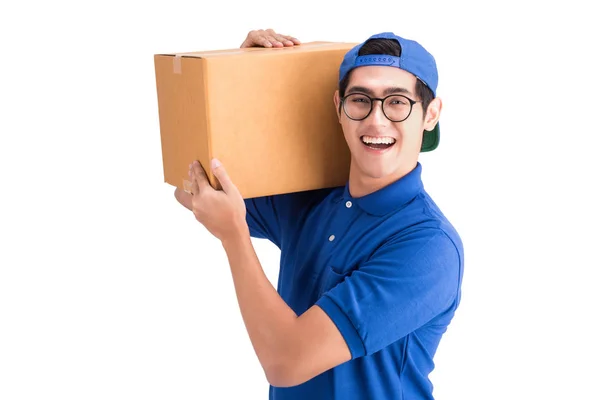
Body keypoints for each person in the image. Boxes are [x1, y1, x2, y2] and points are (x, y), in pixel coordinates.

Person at [174, 28, 464, 400]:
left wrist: (234, 236)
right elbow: (190, 187)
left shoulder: (428, 247)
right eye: (361, 100)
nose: (376, 121)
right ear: (339, 108)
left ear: (430, 114)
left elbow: (286, 361)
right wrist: (236, 83)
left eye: (397, 102)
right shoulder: (312, 200)